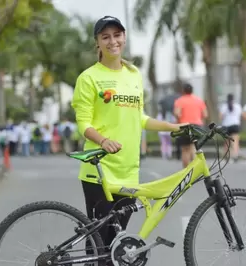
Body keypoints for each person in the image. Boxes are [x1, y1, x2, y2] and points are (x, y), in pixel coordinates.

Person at [70, 15, 183, 264]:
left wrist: (173, 127)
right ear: (97, 43)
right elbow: (84, 123)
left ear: (124, 37)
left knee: (117, 246)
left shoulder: (133, 75)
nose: (113, 41)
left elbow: (140, 118)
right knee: (100, 246)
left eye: (117, 35)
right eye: (105, 36)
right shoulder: (89, 78)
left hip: (129, 170)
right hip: (99, 171)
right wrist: (103, 140)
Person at [173, 83, 208, 167]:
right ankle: (194, 169)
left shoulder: (180, 100)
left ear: (183, 91)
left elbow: (177, 113)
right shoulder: (199, 100)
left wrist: (178, 122)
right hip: (196, 126)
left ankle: (186, 171)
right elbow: (205, 114)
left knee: (185, 149)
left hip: (185, 126)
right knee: (193, 147)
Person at [219, 93, 242, 162]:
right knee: (235, 142)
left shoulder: (224, 106)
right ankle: (235, 155)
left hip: (226, 126)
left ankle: (226, 156)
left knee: (226, 142)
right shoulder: (237, 106)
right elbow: (241, 115)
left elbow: (220, 117)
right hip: (235, 125)